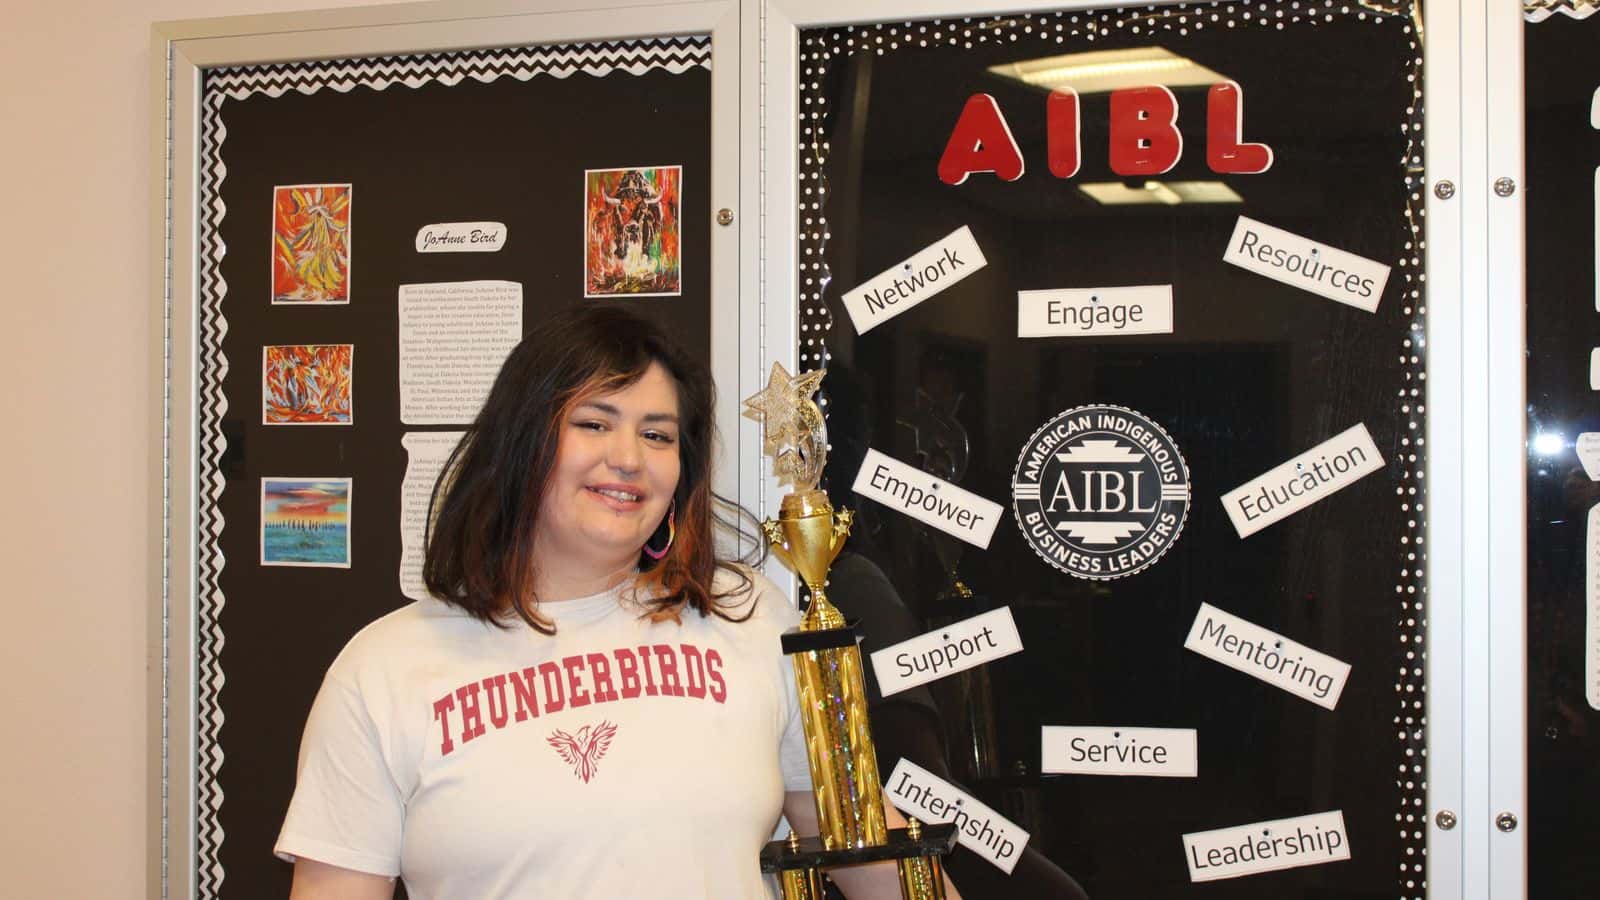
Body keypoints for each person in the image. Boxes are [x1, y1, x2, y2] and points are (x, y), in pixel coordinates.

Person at [275, 305, 959, 899]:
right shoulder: (384, 669)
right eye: (594, 423)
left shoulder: (747, 618)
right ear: (522, 444)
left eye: (658, 434)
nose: (629, 457)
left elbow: (864, 845)